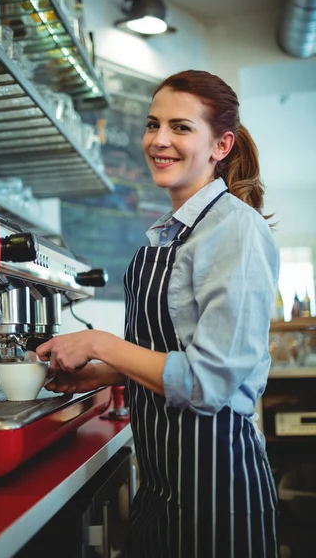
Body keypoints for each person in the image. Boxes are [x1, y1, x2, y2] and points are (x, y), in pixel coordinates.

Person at [36, 70, 280, 558]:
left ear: (221, 145)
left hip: (218, 496)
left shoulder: (235, 230)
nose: (159, 140)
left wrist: (101, 344)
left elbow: (208, 383)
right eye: (153, 124)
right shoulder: (168, 236)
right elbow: (172, 358)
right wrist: (102, 375)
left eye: (182, 127)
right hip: (163, 486)